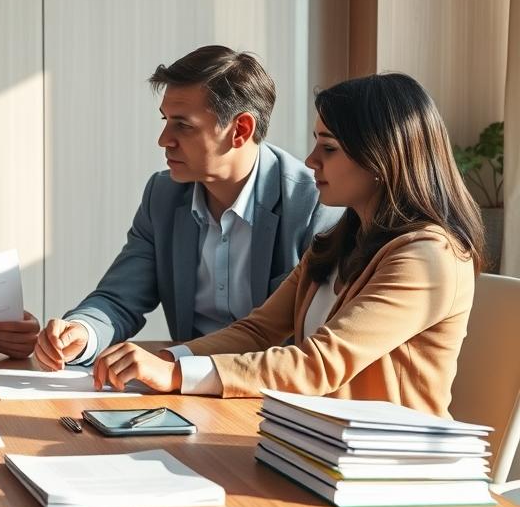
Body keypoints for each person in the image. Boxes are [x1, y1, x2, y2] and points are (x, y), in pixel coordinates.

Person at [93, 73, 483, 417]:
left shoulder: (430, 257)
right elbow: (256, 331)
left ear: (380, 159)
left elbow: (321, 363)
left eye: (328, 148)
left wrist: (177, 374)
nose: (311, 160)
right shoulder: (338, 242)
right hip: (317, 445)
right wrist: (165, 360)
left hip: (395, 468)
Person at [21, 45, 342, 367]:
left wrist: (172, 364)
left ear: (240, 130)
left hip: (265, 391)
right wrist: (82, 331)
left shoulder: (314, 204)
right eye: (165, 120)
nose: (164, 139)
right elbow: (119, 298)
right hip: (183, 384)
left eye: (183, 125)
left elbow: (312, 345)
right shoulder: (163, 194)